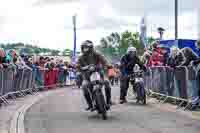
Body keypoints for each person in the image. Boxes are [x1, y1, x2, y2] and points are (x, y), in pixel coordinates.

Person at [77, 40, 112, 111]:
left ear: (91, 47)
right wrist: (81, 68)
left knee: (107, 83)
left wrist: (108, 65)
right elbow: (78, 66)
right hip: (87, 77)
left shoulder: (97, 54)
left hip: (99, 73)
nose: (85, 49)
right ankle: (90, 105)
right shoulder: (81, 57)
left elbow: (104, 60)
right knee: (84, 86)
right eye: (84, 48)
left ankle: (108, 101)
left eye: (87, 47)